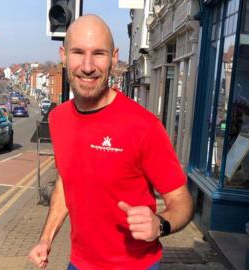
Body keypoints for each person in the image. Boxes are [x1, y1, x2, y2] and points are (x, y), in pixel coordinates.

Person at [28, 15, 193, 270]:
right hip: (79, 264)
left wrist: (160, 223)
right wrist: (46, 240)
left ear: (114, 58)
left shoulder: (144, 126)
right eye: (78, 52)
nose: (87, 65)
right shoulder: (58, 119)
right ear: (63, 55)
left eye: (99, 54)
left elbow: (182, 201)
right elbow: (66, 180)